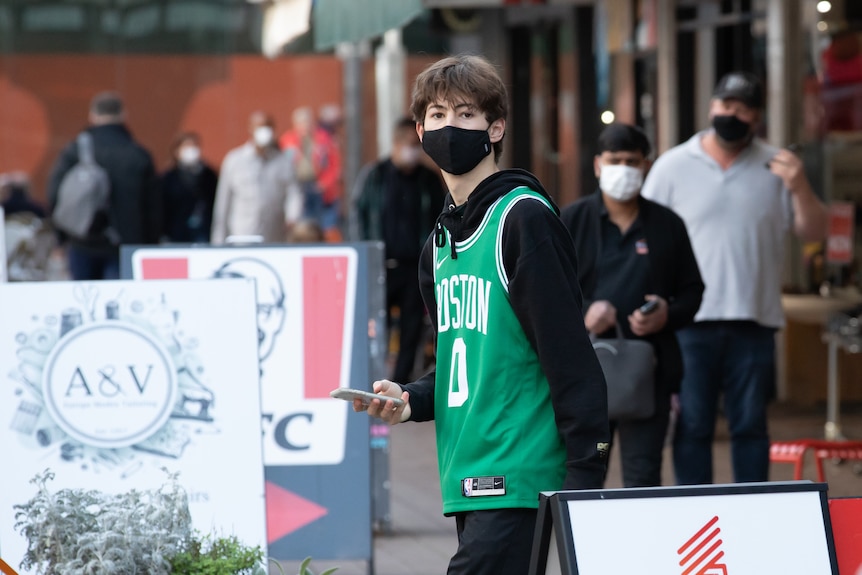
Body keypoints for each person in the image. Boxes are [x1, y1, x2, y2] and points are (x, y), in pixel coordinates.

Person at [353, 54, 609, 575]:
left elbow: (568, 356)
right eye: (439, 116)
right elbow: (462, 352)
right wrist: (411, 400)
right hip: (464, 471)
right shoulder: (439, 244)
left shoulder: (524, 219)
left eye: (466, 115)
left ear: (495, 128)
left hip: (518, 469)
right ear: (421, 130)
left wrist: (586, 471)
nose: (451, 128)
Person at [641, 71, 829, 484]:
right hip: (688, 319)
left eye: (742, 108)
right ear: (712, 107)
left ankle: (753, 510)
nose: (731, 114)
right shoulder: (673, 166)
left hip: (753, 320)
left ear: (757, 116)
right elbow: (646, 236)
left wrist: (798, 185)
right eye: (725, 105)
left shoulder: (777, 166)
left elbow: (815, 232)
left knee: (750, 427)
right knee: (691, 427)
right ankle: (694, 511)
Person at [560, 123, 704, 488]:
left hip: (647, 376)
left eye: (631, 161)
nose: (623, 168)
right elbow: (544, 293)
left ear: (646, 165)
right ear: (597, 165)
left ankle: (640, 545)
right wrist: (586, 309)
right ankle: (588, 546)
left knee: (642, 475)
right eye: (614, 160)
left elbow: (693, 291)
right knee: (588, 473)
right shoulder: (571, 221)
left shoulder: (667, 225)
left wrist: (666, 313)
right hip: (586, 376)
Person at [349, 116, 444, 384]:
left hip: (415, 267)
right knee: (374, 325)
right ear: (396, 143)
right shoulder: (375, 176)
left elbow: (440, 218)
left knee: (411, 328)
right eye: (409, 144)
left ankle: (400, 382)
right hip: (381, 264)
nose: (413, 151)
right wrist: (364, 253)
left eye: (418, 145)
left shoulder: (428, 180)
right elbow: (358, 215)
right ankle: (371, 378)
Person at [47, 91, 161, 279]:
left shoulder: (74, 151)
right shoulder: (138, 154)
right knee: (118, 300)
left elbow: (55, 193)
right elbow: (153, 208)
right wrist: (148, 244)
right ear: (123, 115)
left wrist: (61, 236)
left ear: (92, 115)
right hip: (125, 243)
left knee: (84, 300)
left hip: (81, 239)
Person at [210, 111, 302, 244]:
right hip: (242, 235)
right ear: (250, 129)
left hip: (274, 236)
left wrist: (293, 216)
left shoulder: (283, 162)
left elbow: (294, 192)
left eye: (268, 127)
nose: (264, 131)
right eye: (260, 127)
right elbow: (223, 202)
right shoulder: (234, 160)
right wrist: (218, 240)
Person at [279, 106, 342, 238]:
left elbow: (334, 164)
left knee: (323, 227)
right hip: (299, 187)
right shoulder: (288, 140)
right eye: (300, 122)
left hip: (319, 188)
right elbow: (283, 166)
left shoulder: (323, 139)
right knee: (301, 226)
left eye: (306, 122)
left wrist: (324, 184)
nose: (304, 126)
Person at [159, 131, 218, 243]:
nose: (191, 150)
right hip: (176, 232)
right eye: (187, 146)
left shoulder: (209, 175)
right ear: (177, 151)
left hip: (203, 231)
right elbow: (162, 208)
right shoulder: (169, 178)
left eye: (194, 146)